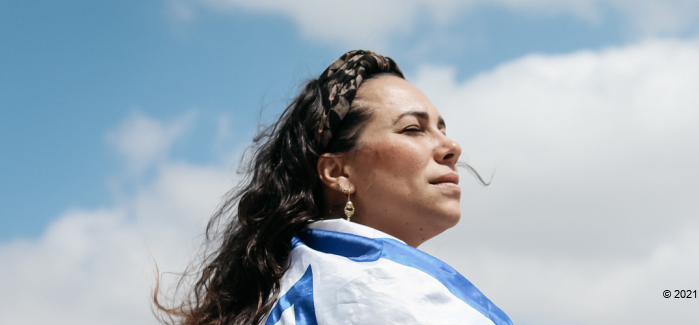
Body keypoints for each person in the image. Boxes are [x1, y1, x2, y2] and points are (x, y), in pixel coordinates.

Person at [154, 50, 513, 325]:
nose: (452, 148)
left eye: (442, 129)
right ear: (337, 172)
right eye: (412, 129)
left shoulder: (302, 293)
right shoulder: (375, 292)